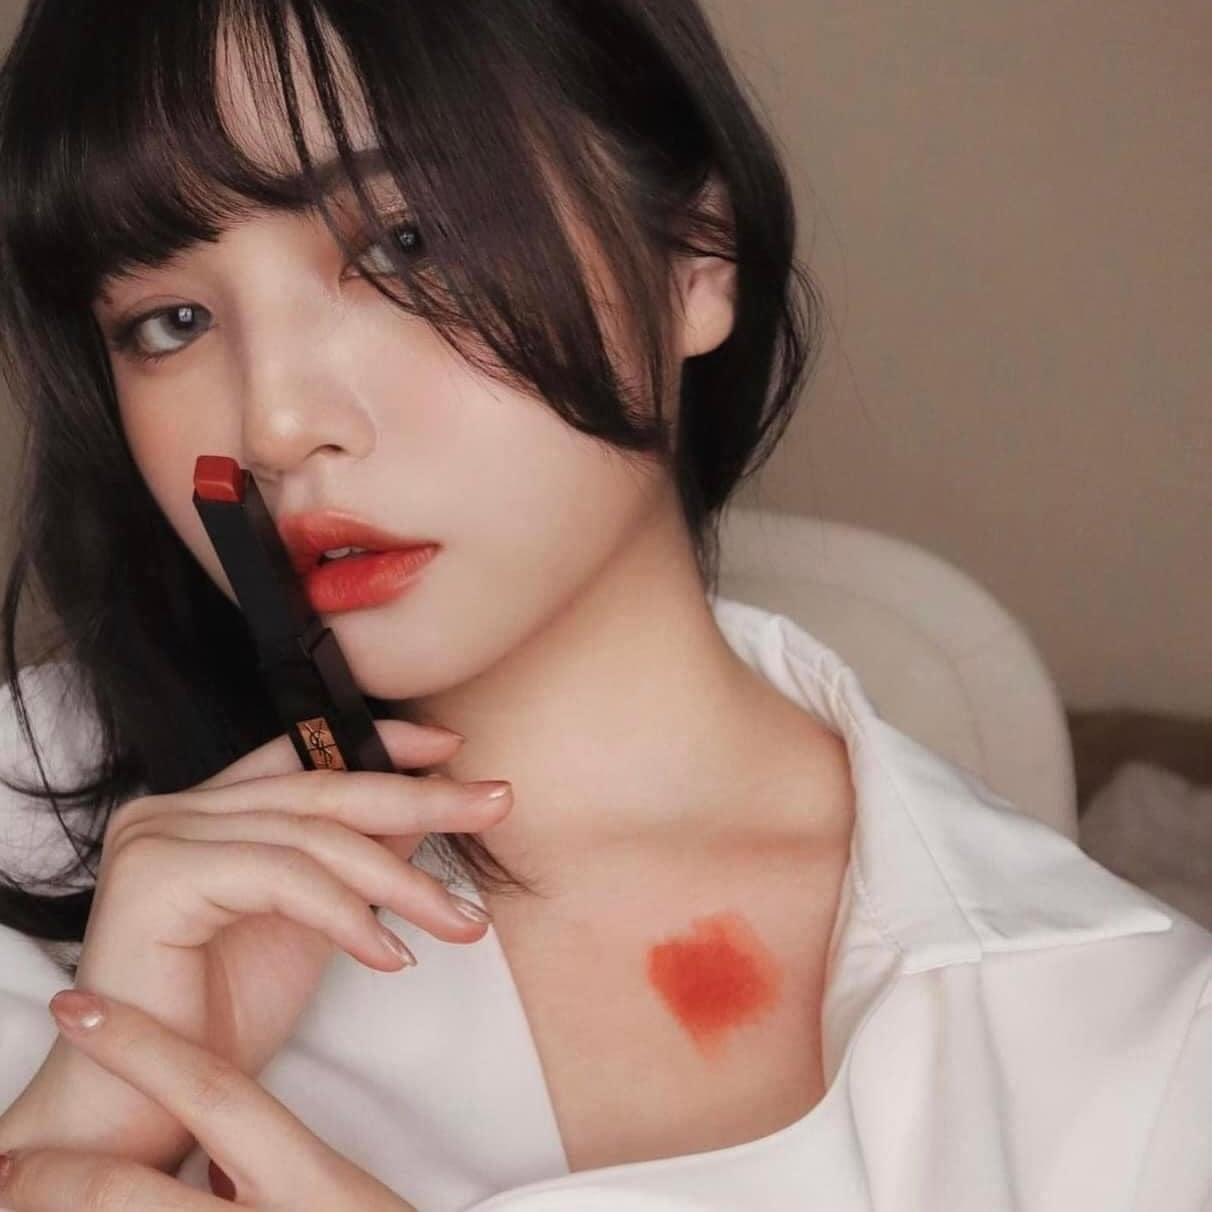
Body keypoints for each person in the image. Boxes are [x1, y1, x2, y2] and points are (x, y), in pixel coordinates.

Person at [0, 2, 1207, 1209]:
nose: (274, 424)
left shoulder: (1131, 1040)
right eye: (171, 321)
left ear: (695, 253)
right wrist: (75, 1125)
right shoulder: (37, 838)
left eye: (406, 244)